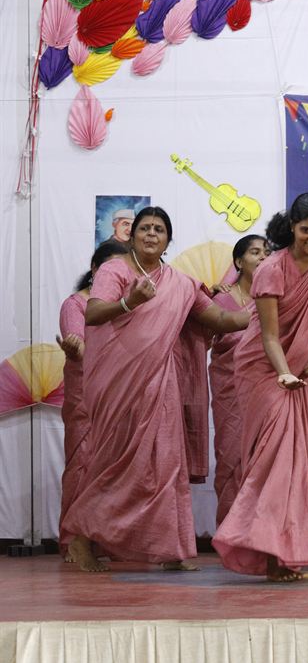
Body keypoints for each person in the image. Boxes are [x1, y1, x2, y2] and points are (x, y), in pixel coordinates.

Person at [64, 207, 250, 572]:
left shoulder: (180, 283)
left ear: (168, 240)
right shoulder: (115, 271)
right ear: (132, 237)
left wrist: (265, 311)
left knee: (166, 466)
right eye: (145, 228)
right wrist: (129, 302)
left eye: (159, 229)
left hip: (161, 386)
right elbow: (94, 312)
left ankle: (169, 549)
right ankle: (81, 537)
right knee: (117, 467)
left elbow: (221, 319)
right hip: (120, 387)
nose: (151, 234)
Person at [213, 193, 308, 582]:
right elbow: (268, 336)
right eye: (306, 230)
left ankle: (288, 548)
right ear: (292, 227)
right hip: (265, 370)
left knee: (304, 461)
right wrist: (284, 373)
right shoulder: (271, 268)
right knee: (277, 459)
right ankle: (271, 556)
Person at [56, 240, 126, 560]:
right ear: (95, 270)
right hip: (85, 393)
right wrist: (76, 349)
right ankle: (73, 538)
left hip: (119, 393)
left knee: (113, 467)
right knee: (83, 462)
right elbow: (79, 344)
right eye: (109, 268)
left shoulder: (125, 305)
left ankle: (105, 540)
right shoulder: (76, 304)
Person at [208, 234, 270, 524]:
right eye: (255, 252)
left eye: (266, 252)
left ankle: (256, 532)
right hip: (229, 390)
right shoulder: (221, 299)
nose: (263, 257)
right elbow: (204, 339)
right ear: (238, 262)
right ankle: (229, 530)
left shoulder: (273, 299)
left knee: (263, 460)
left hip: (264, 392)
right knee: (230, 456)